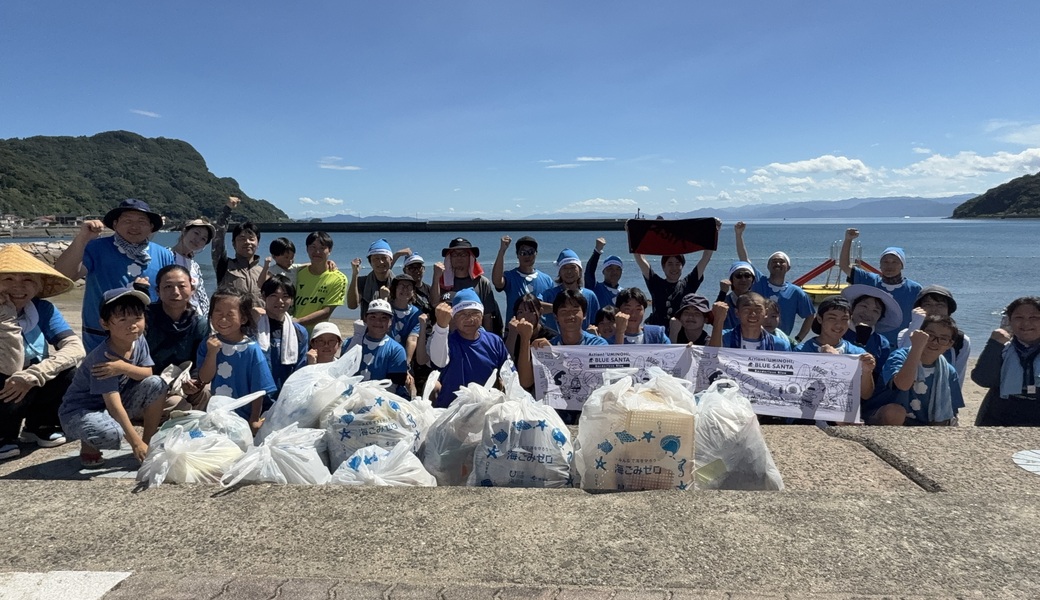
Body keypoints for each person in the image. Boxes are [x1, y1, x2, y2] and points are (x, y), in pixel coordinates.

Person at [58, 287, 168, 468]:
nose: (132, 325)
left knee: (157, 384)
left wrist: (123, 367)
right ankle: (89, 445)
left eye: (137, 318)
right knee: (111, 434)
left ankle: (148, 442)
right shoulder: (103, 358)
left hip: (110, 403)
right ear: (105, 323)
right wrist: (134, 443)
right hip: (80, 412)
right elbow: (114, 406)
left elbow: (148, 373)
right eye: (123, 319)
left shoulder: (138, 339)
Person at [54, 198, 175, 351]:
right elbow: (64, 275)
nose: (134, 226)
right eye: (127, 221)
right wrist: (82, 239)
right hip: (101, 333)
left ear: (151, 227)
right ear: (115, 224)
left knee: (144, 374)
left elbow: (171, 294)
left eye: (141, 222)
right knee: (102, 373)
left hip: (148, 334)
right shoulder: (96, 248)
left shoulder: (164, 254)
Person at [0, 246, 83, 460]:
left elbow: (75, 347)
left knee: (69, 372)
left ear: (38, 285)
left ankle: (39, 424)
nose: (18, 287)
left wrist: (37, 373)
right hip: (5, 382)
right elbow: (10, 366)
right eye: (8, 279)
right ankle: (4, 435)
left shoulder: (42, 309)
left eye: (28, 280)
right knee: (9, 377)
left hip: (30, 378)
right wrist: (7, 319)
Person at [197, 289, 277, 429]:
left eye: (230, 315)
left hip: (242, 418)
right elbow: (205, 378)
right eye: (218, 313)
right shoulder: (209, 344)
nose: (223, 319)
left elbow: (259, 390)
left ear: (243, 318)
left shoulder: (251, 349)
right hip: (217, 415)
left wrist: (254, 419)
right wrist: (212, 353)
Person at [865, 315, 964, 426]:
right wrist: (917, 347)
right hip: (883, 417)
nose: (935, 342)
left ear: (950, 344)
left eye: (943, 339)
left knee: (944, 421)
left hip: (922, 423)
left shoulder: (948, 371)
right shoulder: (899, 356)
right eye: (930, 335)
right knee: (895, 413)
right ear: (920, 334)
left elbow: (950, 410)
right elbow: (903, 385)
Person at [734, 221, 815, 342]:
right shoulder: (759, 282)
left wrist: (798, 339)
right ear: (768, 266)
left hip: (780, 341)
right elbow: (744, 260)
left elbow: (810, 315)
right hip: (754, 337)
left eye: (781, 262)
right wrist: (739, 235)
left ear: (788, 267)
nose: (777, 263)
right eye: (774, 261)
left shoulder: (796, 292)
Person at [428, 289, 509, 408]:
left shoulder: (495, 342)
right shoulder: (446, 341)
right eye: (462, 314)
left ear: (482, 316)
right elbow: (438, 362)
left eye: (474, 313)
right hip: (451, 413)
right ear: (454, 317)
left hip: (486, 411)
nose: (469, 319)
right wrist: (441, 327)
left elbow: (510, 376)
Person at [839, 228, 921, 346]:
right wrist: (848, 240)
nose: (889, 265)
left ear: (902, 265)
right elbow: (844, 265)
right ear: (880, 265)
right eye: (885, 261)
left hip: (900, 345)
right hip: (870, 343)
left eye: (895, 262)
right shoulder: (869, 280)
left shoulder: (914, 289)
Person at [144, 265, 209, 410]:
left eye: (181, 286)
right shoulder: (146, 318)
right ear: (157, 291)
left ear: (192, 290)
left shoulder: (199, 323)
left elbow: (201, 360)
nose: (175, 292)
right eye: (168, 286)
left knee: (206, 391)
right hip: (151, 382)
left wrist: (193, 381)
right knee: (179, 405)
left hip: (182, 380)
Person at [634, 219, 718, 326]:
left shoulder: (688, 283)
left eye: (678, 264)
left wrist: (714, 231)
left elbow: (705, 258)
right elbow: (640, 258)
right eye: (670, 264)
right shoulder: (656, 283)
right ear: (663, 267)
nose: (674, 268)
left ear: (682, 266)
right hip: (658, 334)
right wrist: (632, 233)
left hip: (681, 335)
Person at [973, 296, 1040, 426]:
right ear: (1009, 321)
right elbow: (983, 379)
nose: (1026, 324)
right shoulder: (1003, 347)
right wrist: (994, 344)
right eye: (1019, 318)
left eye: (1034, 318)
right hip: (1002, 412)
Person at [793, 296, 876, 401]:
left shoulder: (857, 353)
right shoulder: (801, 351)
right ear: (819, 319)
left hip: (842, 415)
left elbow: (866, 395)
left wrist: (867, 371)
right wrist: (834, 361)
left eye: (844, 319)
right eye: (832, 318)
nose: (838, 324)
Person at [896, 285, 970, 385]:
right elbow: (904, 358)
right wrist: (915, 324)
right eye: (928, 305)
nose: (934, 309)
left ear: (949, 310)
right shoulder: (906, 333)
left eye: (940, 305)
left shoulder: (961, 340)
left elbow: (958, 376)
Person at [432, 238, 502, 336]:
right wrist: (435, 277)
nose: (459, 257)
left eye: (463, 254)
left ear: (470, 257)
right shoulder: (442, 281)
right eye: (455, 254)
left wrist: (487, 339)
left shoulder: (482, 282)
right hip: (447, 336)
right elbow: (434, 303)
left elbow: (487, 315)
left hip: (475, 336)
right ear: (449, 258)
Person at [343, 299, 410, 397]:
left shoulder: (397, 350)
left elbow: (393, 386)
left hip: (384, 400)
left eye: (383, 318)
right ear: (365, 319)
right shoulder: (349, 343)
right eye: (373, 317)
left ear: (390, 321)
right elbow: (342, 373)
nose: (378, 322)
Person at [841, 285, 903, 388]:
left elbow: (880, 376)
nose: (868, 313)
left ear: (880, 317)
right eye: (864, 306)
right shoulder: (838, 331)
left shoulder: (882, 342)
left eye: (876, 311)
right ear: (852, 308)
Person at [257, 275, 309, 392]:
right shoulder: (254, 327)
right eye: (274, 296)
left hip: (286, 392)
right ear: (264, 296)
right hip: (257, 394)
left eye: (285, 296)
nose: (280, 301)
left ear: (292, 300)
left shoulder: (299, 332)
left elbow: (300, 367)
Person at [211, 195, 264, 306]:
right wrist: (227, 210)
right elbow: (218, 238)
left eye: (251, 239)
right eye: (242, 238)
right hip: (232, 322)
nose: (247, 242)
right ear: (234, 244)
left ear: (257, 243)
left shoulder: (264, 273)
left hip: (259, 323)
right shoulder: (224, 265)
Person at [492, 235, 554, 322]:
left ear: (536, 253)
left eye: (531, 252)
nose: (527, 256)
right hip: (515, 331)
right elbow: (497, 281)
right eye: (523, 253)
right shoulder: (510, 276)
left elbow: (552, 308)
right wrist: (502, 251)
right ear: (517, 255)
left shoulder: (547, 280)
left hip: (541, 332)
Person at [294, 231, 347, 332]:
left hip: (317, 334)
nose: (317, 252)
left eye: (322, 248)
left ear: (329, 250)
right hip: (293, 332)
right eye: (313, 247)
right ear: (307, 249)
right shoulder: (298, 273)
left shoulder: (339, 278)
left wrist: (297, 322)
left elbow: (326, 311)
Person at [538, 249, 600, 333]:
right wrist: (559, 308)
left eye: (573, 267)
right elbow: (534, 306)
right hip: (556, 344)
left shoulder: (590, 295)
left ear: (580, 271)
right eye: (564, 268)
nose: (569, 271)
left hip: (583, 343)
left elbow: (596, 322)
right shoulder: (550, 294)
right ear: (559, 272)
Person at [709, 292, 793, 351]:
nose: (752, 314)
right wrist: (718, 320)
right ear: (737, 313)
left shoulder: (780, 345)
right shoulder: (722, 337)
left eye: (758, 310)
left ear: (766, 313)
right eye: (746, 309)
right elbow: (711, 358)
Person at [348, 238, 409, 318]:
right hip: (369, 327)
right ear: (370, 262)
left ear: (391, 260)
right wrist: (355, 274)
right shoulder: (363, 282)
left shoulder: (398, 284)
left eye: (384, 258)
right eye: (376, 259)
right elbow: (352, 305)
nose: (380, 262)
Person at [170, 218, 215, 316]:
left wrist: (207, 320)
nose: (198, 240)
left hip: (197, 321)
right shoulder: (166, 256)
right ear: (185, 231)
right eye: (196, 233)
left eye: (203, 239)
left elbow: (201, 296)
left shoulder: (195, 266)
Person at [504, 293, 557, 363]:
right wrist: (512, 335)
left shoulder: (552, 337)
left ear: (540, 312)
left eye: (531, 311)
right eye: (520, 312)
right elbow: (505, 364)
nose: (526, 316)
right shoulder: (512, 337)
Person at [716, 261, 758, 330]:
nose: (743, 279)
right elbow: (714, 318)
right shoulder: (725, 301)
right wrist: (722, 293)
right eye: (739, 276)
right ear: (731, 279)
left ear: (752, 280)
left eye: (747, 276)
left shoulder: (758, 302)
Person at [584, 237, 624, 310]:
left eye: (618, 269)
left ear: (621, 272)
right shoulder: (595, 288)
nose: (614, 272)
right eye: (610, 268)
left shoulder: (624, 294)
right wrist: (597, 251)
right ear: (603, 271)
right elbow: (589, 272)